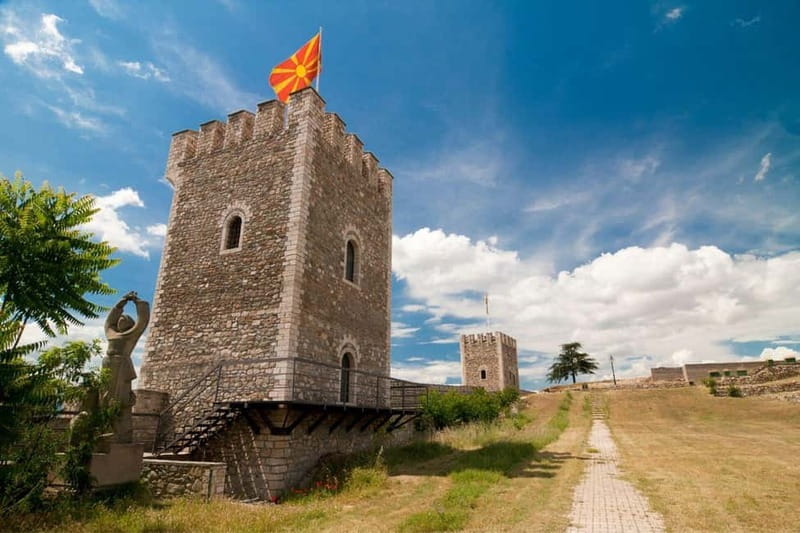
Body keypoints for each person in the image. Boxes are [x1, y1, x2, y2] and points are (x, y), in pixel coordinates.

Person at [103, 291, 149, 443]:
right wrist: (121, 303)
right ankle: (105, 423)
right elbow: (109, 322)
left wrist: (137, 302)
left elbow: (142, 321)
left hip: (122, 366)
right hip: (108, 365)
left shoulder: (131, 334)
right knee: (105, 395)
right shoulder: (111, 334)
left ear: (129, 324)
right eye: (120, 319)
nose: (121, 320)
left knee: (121, 396)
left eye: (124, 319)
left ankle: (120, 429)